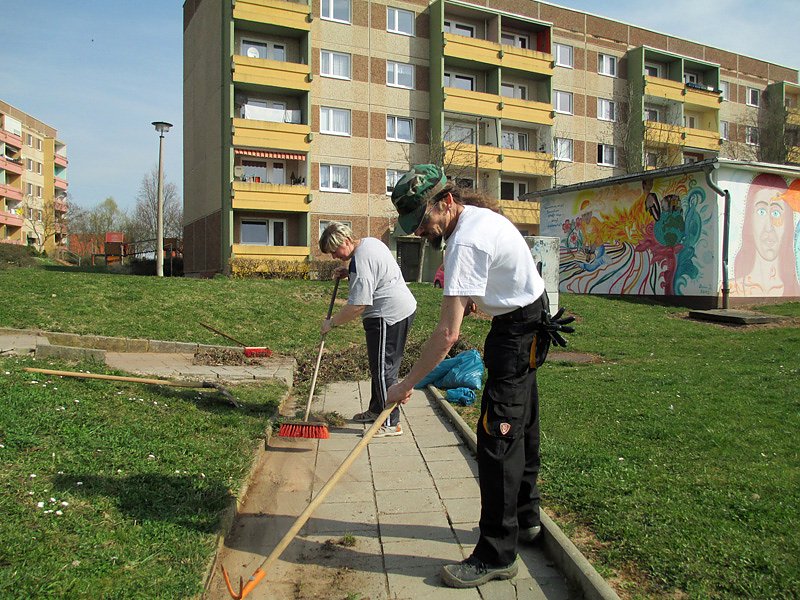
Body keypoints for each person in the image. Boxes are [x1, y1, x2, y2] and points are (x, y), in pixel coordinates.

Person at [387, 164, 571, 588]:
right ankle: (525, 520)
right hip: (528, 318)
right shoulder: (478, 219)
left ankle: (496, 554)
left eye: (423, 221)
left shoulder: (464, 242)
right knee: (520, 427)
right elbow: (499, 272)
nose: (419, 232)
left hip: (518, 331)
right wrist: (477, 298)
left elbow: (447, 334)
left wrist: (406, 383)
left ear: (446, 202)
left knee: (497, 440)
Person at [319, 222, 416, 437]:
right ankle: (376, 410)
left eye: (335, 251)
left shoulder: (361, 260)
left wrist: (331, 322)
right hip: (400, 308)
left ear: (346, 241)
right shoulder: (369, 243)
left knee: (383, 369)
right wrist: (348, 272)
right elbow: (375, 272)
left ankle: (391, 423)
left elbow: (358, 305)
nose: (334, 256)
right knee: (380, 367)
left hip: (386, 315)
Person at [733, 173, 800, 296]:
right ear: (750, 219)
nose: (768, 228)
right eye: (761, 212)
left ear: (788, 224)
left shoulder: (795, 288)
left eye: (776, 213)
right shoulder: (733, 289)